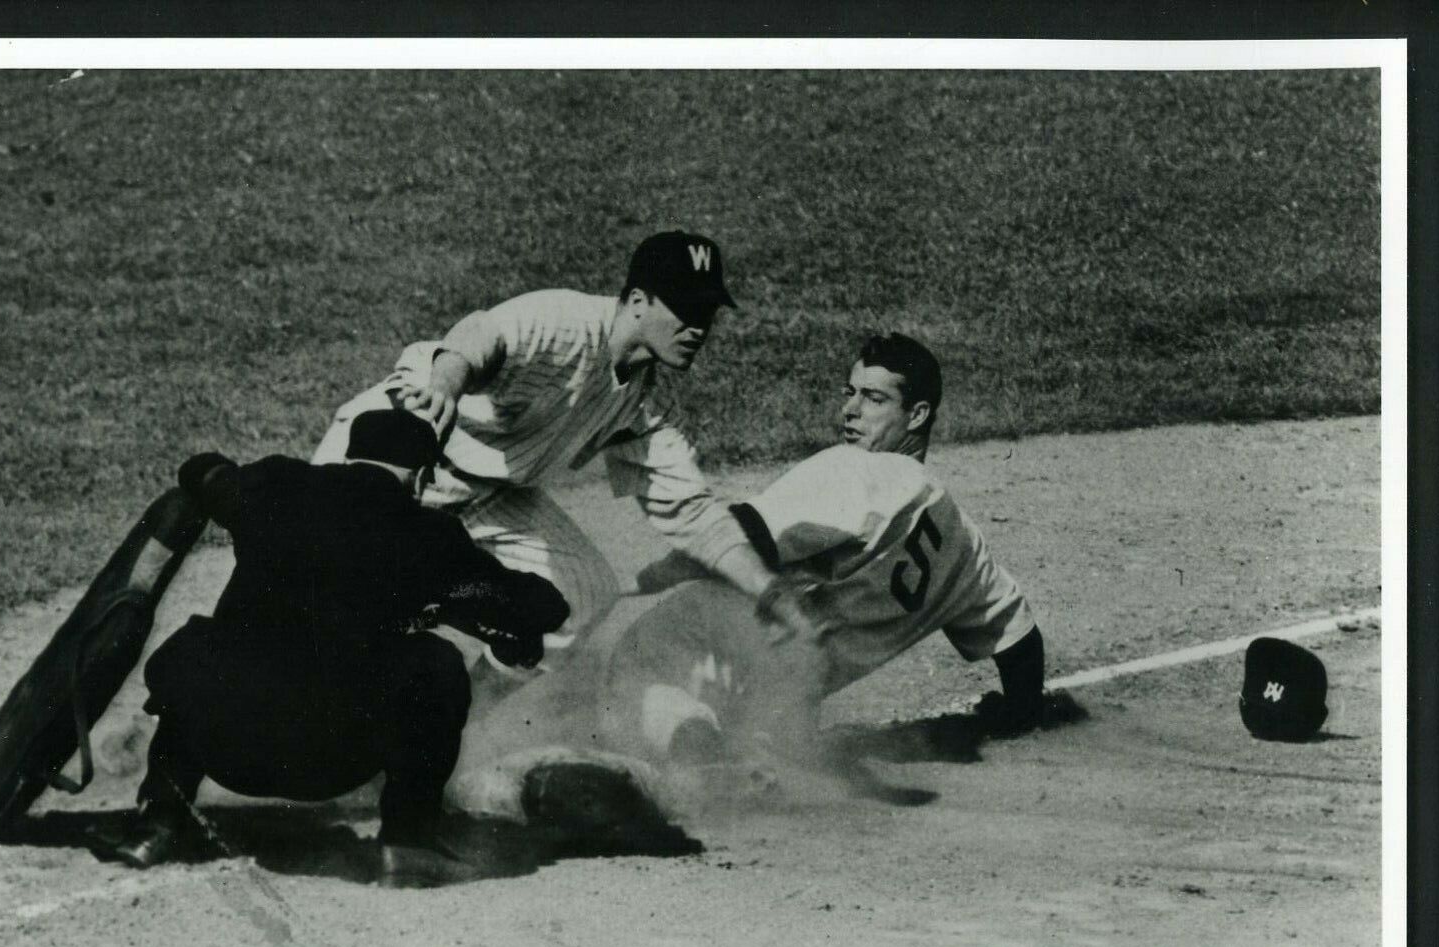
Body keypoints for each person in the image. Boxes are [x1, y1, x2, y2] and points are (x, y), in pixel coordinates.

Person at [310, 230, 808, 690]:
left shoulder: (647, 402)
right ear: (638, 301)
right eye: (684, 309)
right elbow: (481, 332)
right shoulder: (567, 321)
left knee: (583, 594)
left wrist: (770, 590)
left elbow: (694, 514)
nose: (697, 327)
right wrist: (446, 383)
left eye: (707, 312)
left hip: (488, 493)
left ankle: (470, 713)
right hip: (386, 458)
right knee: (324, 593)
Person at [110, 409, 570, 871]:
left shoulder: (273, 485)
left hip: (225, 749)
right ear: (423, 475)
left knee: (202, 648)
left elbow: (199, 471)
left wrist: (217, 471)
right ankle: (409, 843)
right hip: (330, 765)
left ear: (352, 455)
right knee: (435, 662)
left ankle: (157, 823)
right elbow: (542, 607)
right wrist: (461, 607)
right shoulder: (432, 535)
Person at [598, 332, 1046, 769]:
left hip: (698, 644)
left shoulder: (855, 468)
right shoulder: (964, 546)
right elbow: (1020, 640)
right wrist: (1020, 712)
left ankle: (707, 766)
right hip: (776, 694)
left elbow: (743, 533)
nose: (849, 410)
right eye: (850, 393)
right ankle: (749, 749)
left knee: (628, 678)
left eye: (874, 398)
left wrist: (647, 576)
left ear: (917, 414)